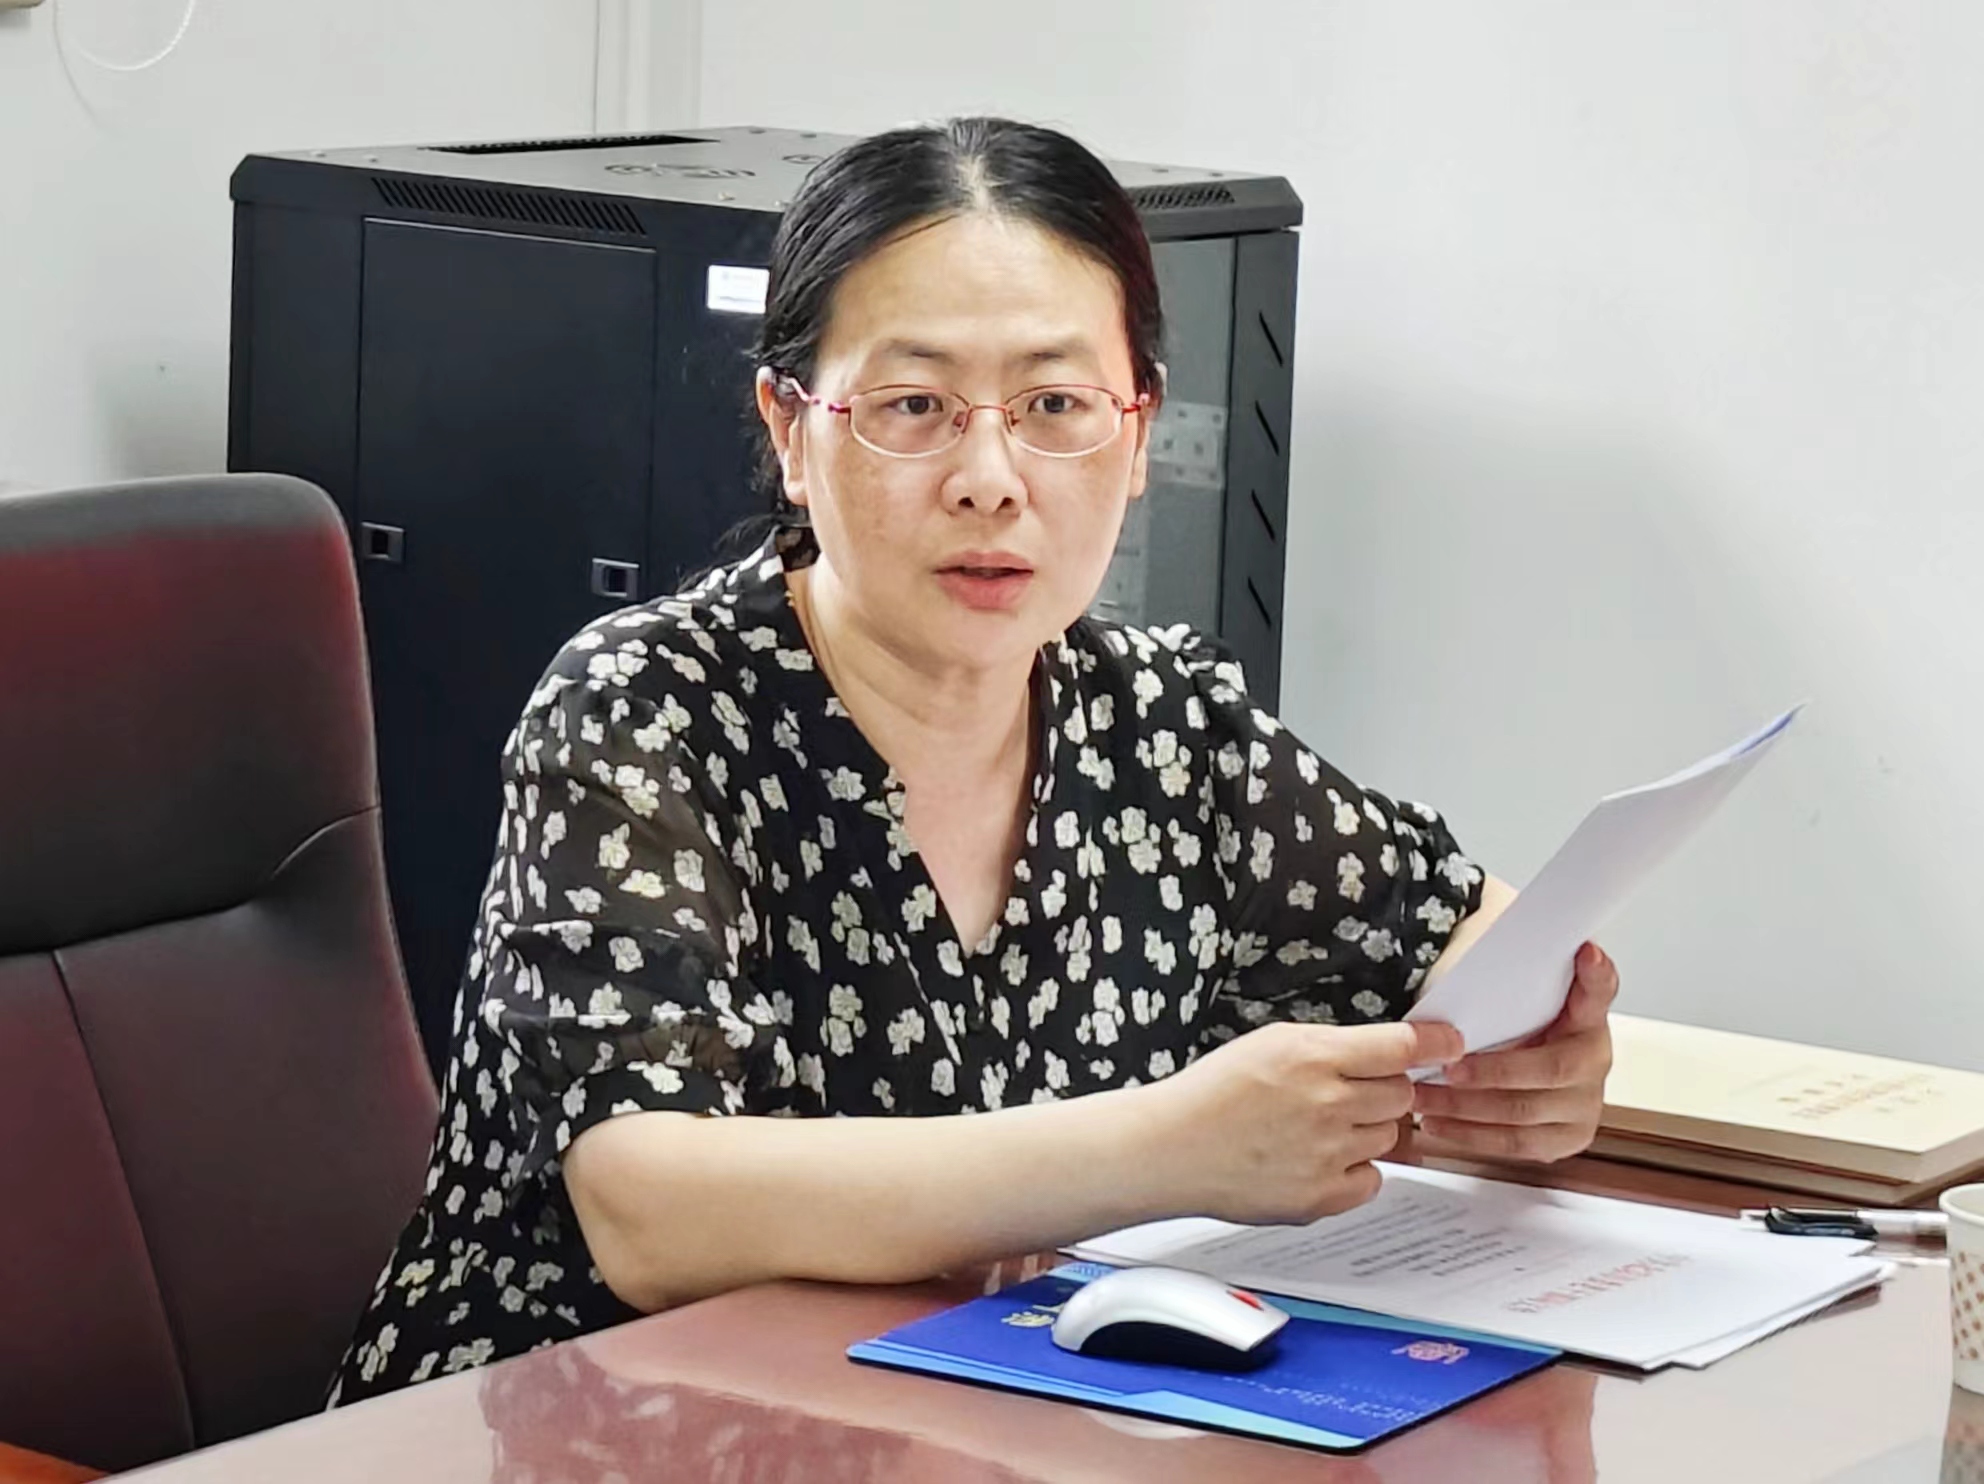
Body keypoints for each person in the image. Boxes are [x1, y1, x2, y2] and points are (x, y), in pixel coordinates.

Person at [328, 116, 1617, 1405]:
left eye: (1056, 406)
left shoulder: (1163, 723)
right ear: (791, 428)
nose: (991, 479)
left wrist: (1530, 1065)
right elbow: (650, 1209)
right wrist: (1165, 1150)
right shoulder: (647, 707)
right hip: (576, 1428)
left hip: (968, 1419)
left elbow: (1459, 924)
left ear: (1139, 433)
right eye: (914, 407)